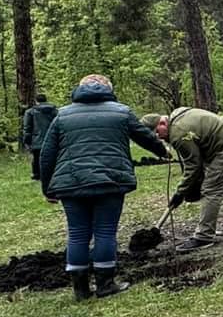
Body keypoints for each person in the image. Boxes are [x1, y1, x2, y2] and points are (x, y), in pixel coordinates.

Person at [37, 75, 166, 300]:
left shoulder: (63, 114)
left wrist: (48, 187)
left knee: (77, 233)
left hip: (72, 182)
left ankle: (81, 289)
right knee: (105, 231)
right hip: (111, 179)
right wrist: (162, 152)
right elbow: (145, 136)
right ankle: (106, 285)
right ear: (108, 90)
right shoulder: (121, 112)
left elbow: (47, 154)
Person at [152, 106, 223, 248]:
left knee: (211, 189)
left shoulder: (178, 133)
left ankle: (204, 236)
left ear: (162, 123)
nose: (158, 137)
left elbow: (194, 166)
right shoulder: (178, 117)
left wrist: (180, 192)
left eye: (157, 132)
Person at [19, 91, 58, 182]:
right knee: (52, 157)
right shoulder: (55, 111)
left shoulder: (30, 112)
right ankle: (52, 174)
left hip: (36, 139)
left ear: (36, 101)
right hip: (52, 139)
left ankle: (36, 175)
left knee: (36, 158)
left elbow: (27, 128)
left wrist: (26, 141)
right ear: (46, 100)